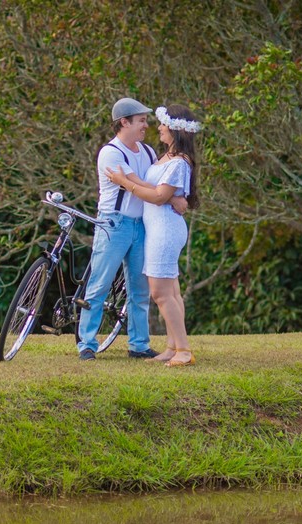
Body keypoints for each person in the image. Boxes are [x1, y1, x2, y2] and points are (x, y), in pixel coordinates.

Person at [77, 98, 188, 362]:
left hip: (142, 226)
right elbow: (134, 182)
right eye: (140, 120)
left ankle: (138, 344)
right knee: (100, 283)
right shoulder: (111, 152)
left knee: (139, 289)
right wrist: (171, 199)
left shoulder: (148, 152)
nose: (146, 126)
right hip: (114, 224)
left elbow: (157, 184)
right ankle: (87, 344)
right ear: (123, 122)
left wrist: (169, 196)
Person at [107, 104, 202, 367]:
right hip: (159, 228)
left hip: (165, 230)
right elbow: (158, 189)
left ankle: (183, 349)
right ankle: (173, 347)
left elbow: (159, 197)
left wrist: (125, 183)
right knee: (171, 292)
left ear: (174, 129)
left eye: (162, 124)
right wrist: (129, 177)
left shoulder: (180, 162)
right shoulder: (167, 158)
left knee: (160, 293)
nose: (157, 127)